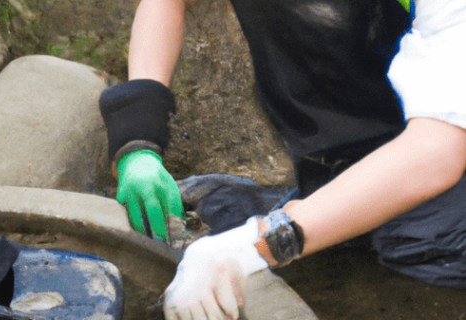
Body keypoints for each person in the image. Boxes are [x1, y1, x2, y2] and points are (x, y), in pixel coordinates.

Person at [98, 0, 466, 318]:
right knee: (225, 221)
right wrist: (138, 142)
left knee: (418, 246)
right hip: (345, 156)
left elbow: (440, 148)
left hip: (442, 158)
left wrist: (266, 241)